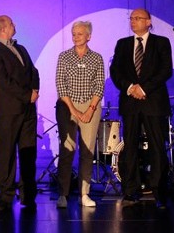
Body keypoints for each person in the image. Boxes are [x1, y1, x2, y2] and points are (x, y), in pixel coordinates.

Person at [109, 8, 172, 209]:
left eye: (138, 18)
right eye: (132, 18)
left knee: (157, 148)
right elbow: (115, 70)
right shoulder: (123, 44)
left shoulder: (161, 42)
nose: (133, 21)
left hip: (153, 102)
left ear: (149, 21)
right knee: (130, 149)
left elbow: (165, 70)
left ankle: (159, 192)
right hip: (130, 103)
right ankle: (130, 191)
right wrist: (130, 87)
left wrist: (143, 88)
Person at [0, 15, 40, 212]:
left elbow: (34, 71)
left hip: (28, 110)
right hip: (9, 111)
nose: (15, 25)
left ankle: (27, 195)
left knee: (28, 152)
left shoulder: (21, 48)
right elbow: (3, 81)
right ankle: (6, 196)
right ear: (4, 28)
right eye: (12, 23)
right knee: (7, 153)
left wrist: (35, 91)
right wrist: (26, 95)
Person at [54, 20, 104, 209]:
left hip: (91, 106)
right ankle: (63, 194)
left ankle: (84, 193)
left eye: (80, 34)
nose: (76, 37)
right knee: (67, 150)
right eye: (74, 34)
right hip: (68, 106)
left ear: (88, 36)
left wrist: (90, 109)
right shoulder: (64, 56)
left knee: (87, 152)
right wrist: (75, 111)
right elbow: (61, 85)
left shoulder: (97, 58)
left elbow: (99, 86)